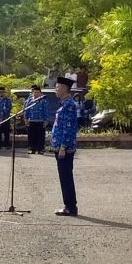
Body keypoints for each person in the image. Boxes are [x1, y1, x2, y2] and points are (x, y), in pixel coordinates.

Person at [52, 77, 78, 216]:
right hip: (60, 146)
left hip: (65, 148)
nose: (56, 90)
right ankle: (68, 205)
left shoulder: (69, 105)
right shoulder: (63, 104)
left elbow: (69, 128)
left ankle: (71, 207)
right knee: (64, 177)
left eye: (58, 87)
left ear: (65, 89)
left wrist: (63, 146)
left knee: (66, 177)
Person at [25, 86, 48, 154]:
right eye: (35, 92)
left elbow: (46, 111)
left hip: (41, 121)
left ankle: (40, 149)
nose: (36, 93)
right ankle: (32, 149)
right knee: (31, 135)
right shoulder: (29, 100)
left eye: (38, 92)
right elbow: (26, 110)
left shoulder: (44, 101)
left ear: (41, 93)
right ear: (32, 93)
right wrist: (26, 119)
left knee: (40, 136)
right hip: (31, 120)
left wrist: (46, 120)